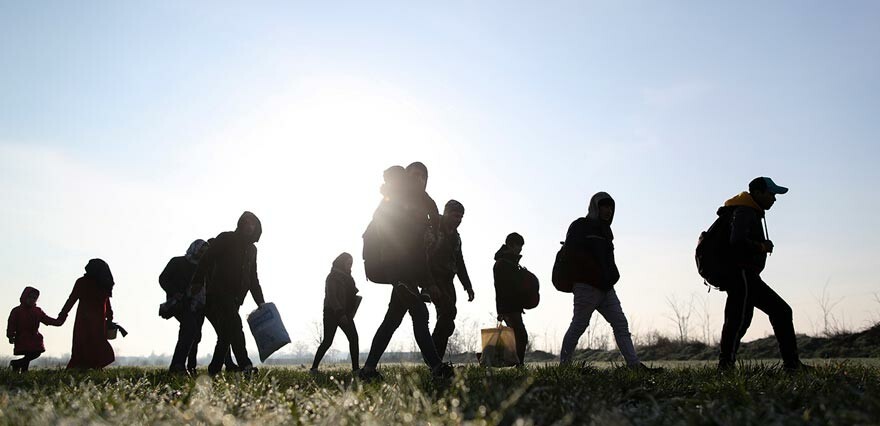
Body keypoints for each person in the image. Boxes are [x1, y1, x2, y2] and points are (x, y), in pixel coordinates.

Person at [359, 162, 453, 381]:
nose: (418, 179)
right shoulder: (397, 202)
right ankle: (437, 368)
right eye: (414, 175)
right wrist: (428, 282)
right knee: (420, 313)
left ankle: (368, 370)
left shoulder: (422, 206)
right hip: (395, 268)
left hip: (405, 271)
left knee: (392, 319)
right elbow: (401, 244)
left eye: (423, 176)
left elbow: (420, 252)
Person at [714, 177, 808, 371]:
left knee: (741, 319)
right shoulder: (745, 211)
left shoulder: (745, 210)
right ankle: (791, 366)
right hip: (741, 275)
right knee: (772, 313)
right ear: (757, 193)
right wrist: (761, 246)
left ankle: (727, 365)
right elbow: (737, 241)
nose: (774, 198)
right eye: (771, 193)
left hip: (744, 276)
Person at [558, 192, 652, 370]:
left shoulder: (606, 231)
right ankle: (564, 366)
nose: (608, 210)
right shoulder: (580, 226)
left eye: (610, 207)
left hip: (606, 288)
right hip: (586, 286)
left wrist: (613, 276)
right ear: (595, 207)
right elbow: (572, 255)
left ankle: (634, 365)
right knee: (579, 325)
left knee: (621, 324)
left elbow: (608, 260)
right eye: (604, 206)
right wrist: (589, 274)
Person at [190, 211, 266, 375]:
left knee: (225, 335)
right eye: (247, 223)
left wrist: (261, 303)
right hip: (219, 293)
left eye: (253, 224)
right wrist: (197, 281)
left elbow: (253, 278)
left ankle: (214, 370)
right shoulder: (226, 239)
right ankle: (246, 365)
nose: (249, 227)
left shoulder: (252, 250)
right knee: (236, 327)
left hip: (237, 298)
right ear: (241, 224)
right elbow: (206, 259)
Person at [429, 200, 475, 360]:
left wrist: (467, 286)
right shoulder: (433, 228)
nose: (459, 220)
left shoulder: (456, 238)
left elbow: (460, 262)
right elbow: (422, 257)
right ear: (446, 213)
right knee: (448, 313)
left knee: (447, 321)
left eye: (461, 217)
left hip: (448, 280)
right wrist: (429, 283)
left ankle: (435, 360)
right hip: (432, 278)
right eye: (456, 216)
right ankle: (433, 359)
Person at [58, 259, 116, 369]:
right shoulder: (103, 283)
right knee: (97, 343)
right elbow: (107, 302)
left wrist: (63, 315)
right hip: (98, 320)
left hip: (84, 318)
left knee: (82, 343)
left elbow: (71, 299)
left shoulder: (82, 282)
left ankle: (84, 366)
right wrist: (110, 317)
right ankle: (95, 366)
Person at [311, 253, 360, 373]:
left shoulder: (349, 278)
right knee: (328, 341)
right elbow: (332, 297)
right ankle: (314, 368)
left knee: (353, 338)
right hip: (332, 313)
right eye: (348, 263)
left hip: (346, 314)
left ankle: (356, 369)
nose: (350, 266)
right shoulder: (332, 277)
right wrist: (340, 313)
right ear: (341, 263)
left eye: (351, 264)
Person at [6, 287, 65, 372]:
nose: (32, 300)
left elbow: (46, 319)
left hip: (34, 337)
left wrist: (59, 321)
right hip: (22, 336)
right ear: (24, 297)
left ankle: (17, 364)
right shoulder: (16, 311)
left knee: (35, 352)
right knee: (28, 354)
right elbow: (11, 324)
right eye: (30, 297)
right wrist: (10, 335)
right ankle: (22, 370)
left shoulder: (37, 311)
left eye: (34, 298)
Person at [493, 232, 528, 366]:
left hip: (512, 307)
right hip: (509, 307)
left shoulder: (509, 263)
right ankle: (519, 365)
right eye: (518, 246)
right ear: (510, 245)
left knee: (517, 336)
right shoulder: (503, 264)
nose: (519, 249)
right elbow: (501, 289)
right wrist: (501, 310)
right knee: (521, 336)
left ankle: (517, 364)